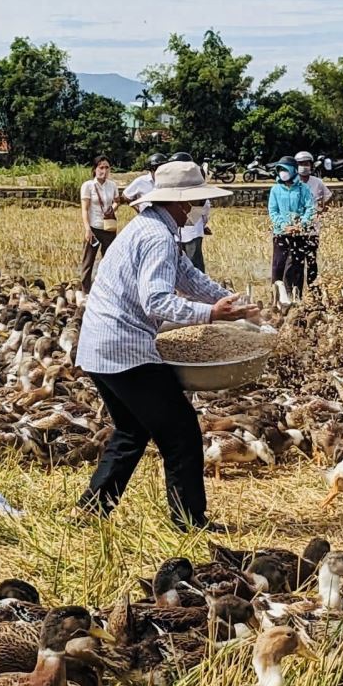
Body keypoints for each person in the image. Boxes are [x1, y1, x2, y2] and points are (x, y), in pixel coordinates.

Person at [72, 159, 258, 532]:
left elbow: (188, 277)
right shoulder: (157, 236)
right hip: (125, 350)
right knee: (181, 430)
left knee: (131, 430)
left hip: (99, 347)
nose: (195, 209)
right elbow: (155, 301)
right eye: (193, 201)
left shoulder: (153, 226)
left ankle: (91, 511)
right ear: (181, 201)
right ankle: (189, 521)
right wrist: (211, 315)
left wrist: (233, 304)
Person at [268, 157, 316, 300]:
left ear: (293, 170)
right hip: (281, 234)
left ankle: (294, 297)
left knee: (295, 267)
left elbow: (310, 209)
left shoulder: (303, 189)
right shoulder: (275, 190)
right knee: (278, 266)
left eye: (285, 169)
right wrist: (284, 226)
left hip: (299, 234)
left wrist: (301, 225)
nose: (283, 173)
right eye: (280, 169)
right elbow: (273, 211)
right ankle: (276, 298)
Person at [79, 155, 119, 292]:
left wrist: (111, 209)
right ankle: (85, 291)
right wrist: (87, 229)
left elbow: (116, 201)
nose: (104, 171)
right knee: (88, 262)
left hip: (109, 228)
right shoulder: (88, 186)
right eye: (101, 167)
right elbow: (84, 209)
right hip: (94, 227)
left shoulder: (112, 185)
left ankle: (105, 289)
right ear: (95, 169)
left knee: (109, 260)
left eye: (107, 167)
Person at [294, 150, 332, 287]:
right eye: (300, 164)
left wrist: (322, 209)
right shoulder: (293, 182)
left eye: (306, 163)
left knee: (311, 260)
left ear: (311, 165)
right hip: (297, 229)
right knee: (296, 262)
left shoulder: (317, 182)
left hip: (313, 229)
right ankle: (296, 289)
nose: (304, 166)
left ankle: (313, 288)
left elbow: (328, 196)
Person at [168, 152, 212, 272]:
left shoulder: (196, 179)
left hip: (192, 230)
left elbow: (203, 205)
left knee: (194, 265)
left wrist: (200, 222)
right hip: (178, 232)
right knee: (178, 265)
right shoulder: (173, 182)